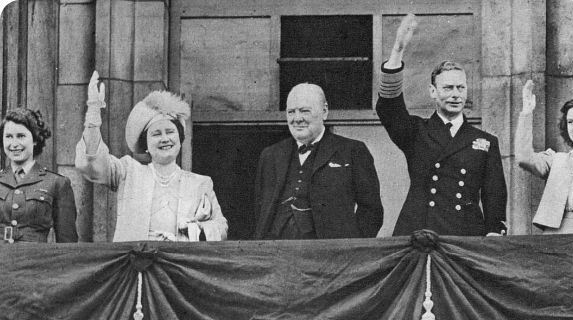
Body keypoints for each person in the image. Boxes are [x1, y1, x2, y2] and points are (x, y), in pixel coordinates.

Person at [376, 14, 507, 236]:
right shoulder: (416, 132)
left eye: (461, 88)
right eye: (448, 88)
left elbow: (494, 195)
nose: (455, 95)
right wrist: (397, 51)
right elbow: (389, 109)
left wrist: (494, 232)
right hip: (420, 232)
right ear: (433, 92)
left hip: (466, 235)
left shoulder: (485, 141)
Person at [75, 71, 227, 242]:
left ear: (180, 138)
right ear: (145, 144)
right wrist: (93, 114)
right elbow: (92, 164)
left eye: (170, 132)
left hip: (179, 265)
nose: (164, 139)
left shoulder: (200, 183)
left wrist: (196, 229)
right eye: (156, 134)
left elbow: (221, 228)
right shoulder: (128, 172)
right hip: (137, 264)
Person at [254, 83, 384, 240]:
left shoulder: (352, 150)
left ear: (324, 112)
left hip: (328, 255)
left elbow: (371, 211)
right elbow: (259, 208)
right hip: (276, 251)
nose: (297, 119)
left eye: (304, 111)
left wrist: (351, 248)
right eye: (291, 112)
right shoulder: (270, 155)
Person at [515, 81, 573, 234]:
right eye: (570, 122)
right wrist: (527, 113)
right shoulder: (557, 160)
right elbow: (523, 158)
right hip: (557, 236)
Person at [0, 108, 78, 243]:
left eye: (21, 136)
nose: (14, 144)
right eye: (8, 137)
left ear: (35, 139)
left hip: (34, 262)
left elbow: (67, 244)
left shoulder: (56, 183)